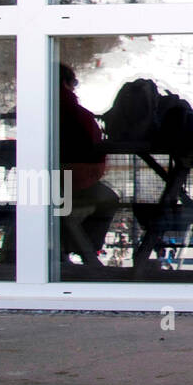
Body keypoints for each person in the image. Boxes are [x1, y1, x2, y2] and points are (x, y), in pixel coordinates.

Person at [58, 63, 119, 265]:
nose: (74, 87)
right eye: (73, 82)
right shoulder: (78, 113)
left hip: (38, 183)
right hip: (73, 182)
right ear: (66, 83)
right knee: (108, 199)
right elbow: (94, 151)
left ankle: (65, 248)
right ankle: (86, 251)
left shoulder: (35, 110)